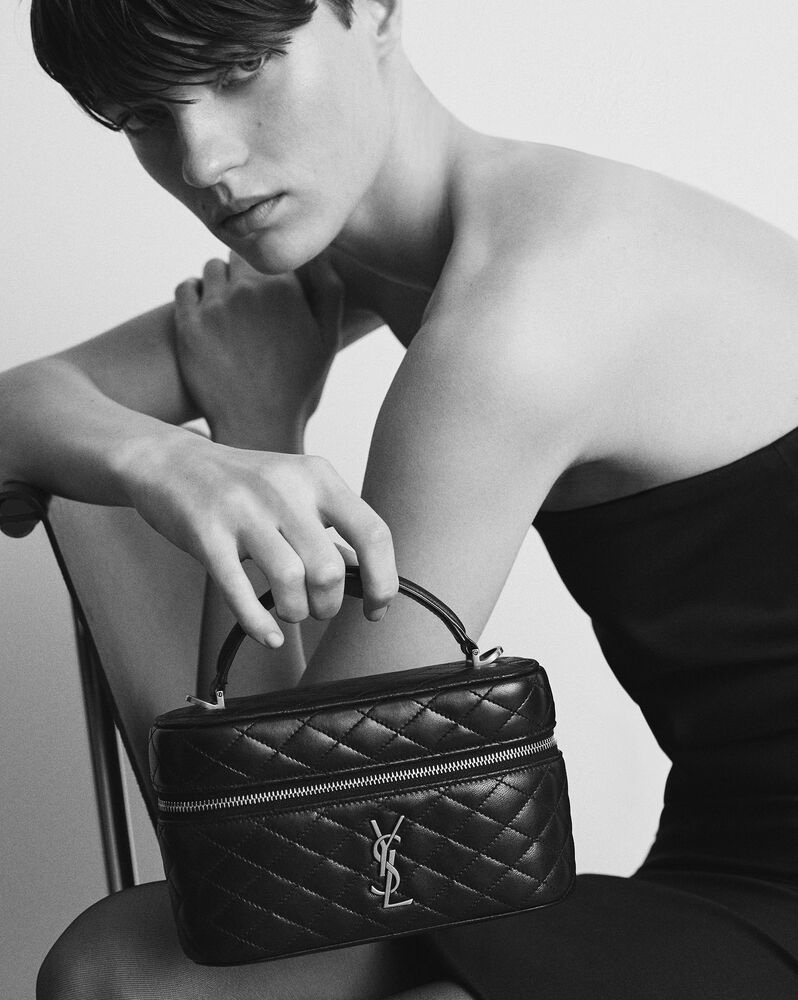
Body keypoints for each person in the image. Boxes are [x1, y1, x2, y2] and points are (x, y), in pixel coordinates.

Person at [2, 0, 797, 997]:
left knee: (129, 969)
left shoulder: (525, 313)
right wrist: (164, 465)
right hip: (725, 858)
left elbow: (292, 836)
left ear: (374, 9)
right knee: (119, 964)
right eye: (146, 117)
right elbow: (17, 409)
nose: (203, 158)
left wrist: (254, 428)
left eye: (242, 68)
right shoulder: (385, 250)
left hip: (770, 894)